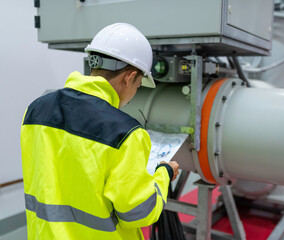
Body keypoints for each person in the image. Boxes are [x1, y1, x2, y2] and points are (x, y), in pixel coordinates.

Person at [20, 23, 179, 240]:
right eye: (139, 84)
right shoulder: (125, 133)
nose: (134, 93)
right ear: (129, 77)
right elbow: (138, 213)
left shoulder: (35, 111)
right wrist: (164, 174)